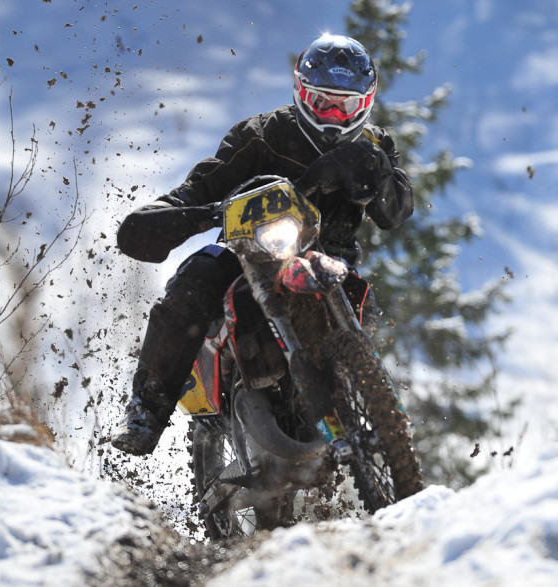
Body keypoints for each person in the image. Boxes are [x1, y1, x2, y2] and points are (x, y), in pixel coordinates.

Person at [110, 34, 414, 456]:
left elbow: (396, 212)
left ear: (365, 103)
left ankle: (373, 414)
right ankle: (146, 410)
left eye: (346, 106)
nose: (333, 116)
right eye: (324, 102)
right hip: (248, 258)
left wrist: (378, 173)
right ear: (302, 93)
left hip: (330, 265)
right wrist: (171, 212)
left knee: (369, 306)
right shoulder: (260, 136)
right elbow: (199, 187)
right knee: (194, 278)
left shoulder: (375, 145)